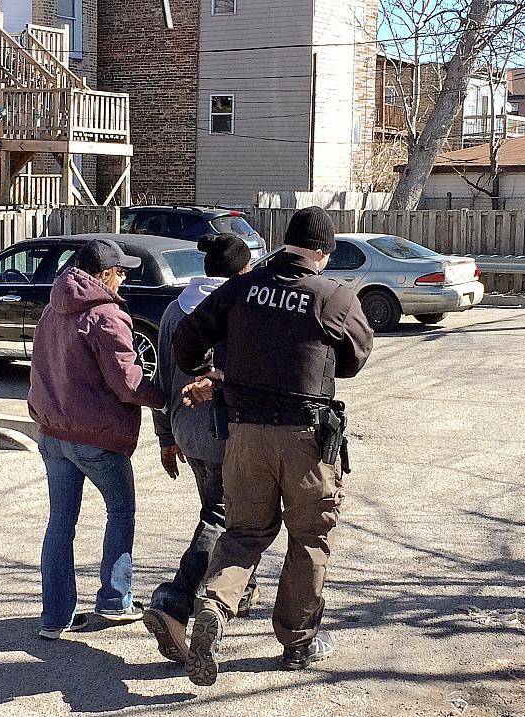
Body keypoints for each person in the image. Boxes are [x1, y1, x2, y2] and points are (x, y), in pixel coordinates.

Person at [173, 206, 374, 685]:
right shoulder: (335, 297)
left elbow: (185, 340)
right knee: (308, 539)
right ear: (323, 253)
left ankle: (215, 604)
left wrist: (211, 371)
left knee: (243, 533)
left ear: (285, 243)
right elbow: (355, 358)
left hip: (244, 436)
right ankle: (298, 642)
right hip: (306, 439)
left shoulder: (241, 287)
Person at [28, 237, 166, 640]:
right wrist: (166, 397)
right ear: (103, 274)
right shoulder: (107, 315)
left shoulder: (52, 309)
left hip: (52, 432)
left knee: (60, 524)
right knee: (121, 512)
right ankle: (115, 600)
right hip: (97, 437)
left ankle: (54, 618)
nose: (123, 279)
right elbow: (127, 384)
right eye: (120, 272)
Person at [143, 233, 261, 663]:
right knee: (223, 518)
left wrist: (165, 437)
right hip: (223, 432)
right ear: (243, 270)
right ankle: (175, 600)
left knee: (224, 512)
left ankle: (242, 590)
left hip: (185, 429)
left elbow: (160, 378)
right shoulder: (238, 308)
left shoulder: (175, 310)